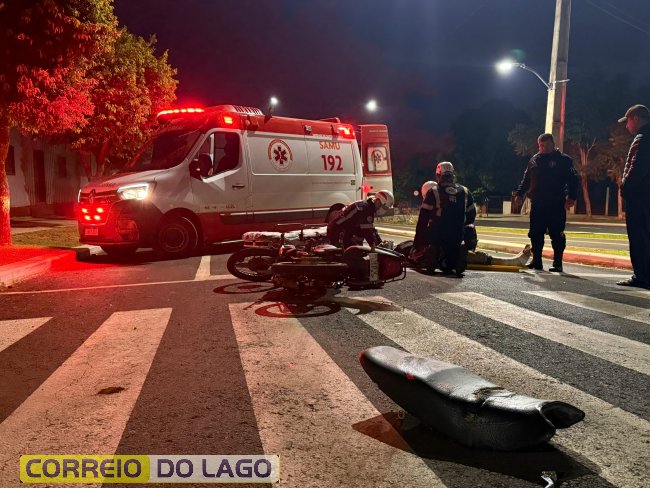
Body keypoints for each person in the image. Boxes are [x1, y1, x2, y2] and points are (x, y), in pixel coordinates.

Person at [514, 133, 579, 272]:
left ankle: (557, 263)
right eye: (541, 145)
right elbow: (526, 180)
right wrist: (519, 194)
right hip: (537, 203)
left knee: (557, 234)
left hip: (556, 203)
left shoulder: (564, 160)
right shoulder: (534, 160)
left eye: (547, 145)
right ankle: (536, 261)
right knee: (535, 233)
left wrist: (572, 197)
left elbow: (573, 180)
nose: (544, 148)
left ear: (553, 144)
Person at [412, 162, 476, 276]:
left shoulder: (433, 191)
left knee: (426, 236)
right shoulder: (465, 191)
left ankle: (431, 252)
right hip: (457, 235)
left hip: (438, 234)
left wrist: (418, 242)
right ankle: (457, 256)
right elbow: (471, 215)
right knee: (450, 264)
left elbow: (423, 219)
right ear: (453, 174)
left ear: (438, 175)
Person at [616, 104, 650, 289]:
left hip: (639, 196)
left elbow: (637, 168)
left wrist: (625, 188)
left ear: (636, 118)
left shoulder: (642, 137)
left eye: (628, 121)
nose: (627, 125)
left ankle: (642, 276)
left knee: (639, 237)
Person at [327, 190, 394, 249]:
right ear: (378, 201)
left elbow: (371, 229)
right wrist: (378, 247)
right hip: (338, 232)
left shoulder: (367, 206)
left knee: (359, 244)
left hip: (338, 229)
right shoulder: (366, 209)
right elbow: (368, 232)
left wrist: (380, 242)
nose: (384, 210)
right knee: (355, 255)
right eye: (384, 207)